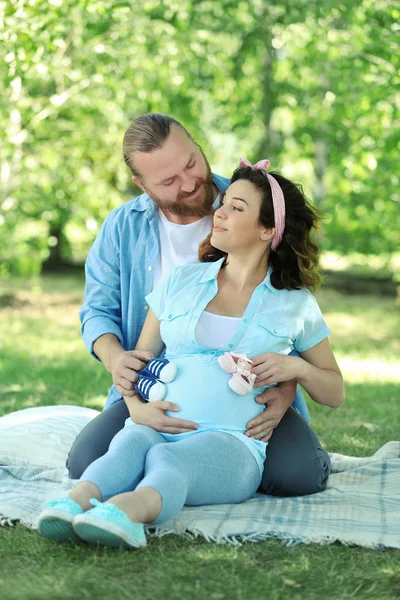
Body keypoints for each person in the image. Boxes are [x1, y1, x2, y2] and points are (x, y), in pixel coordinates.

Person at [38, 159, 344, 549]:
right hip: (157, 422)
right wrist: (135, 407)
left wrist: (296, 367)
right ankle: (72, 504)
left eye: (237, 208)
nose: (220, 213)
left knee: (170, 463)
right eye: (224, 203)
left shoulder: (295, 304)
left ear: (268, 230)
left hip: (231, 441)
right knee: (130, 444)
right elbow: (138, 363)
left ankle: (126, 513)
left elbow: (334, 392)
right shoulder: (180, 281)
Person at [67, 113, 333, 496]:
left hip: (247, 400)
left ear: (196, 145)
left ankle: (190, 469)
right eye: (169, 181)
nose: (190, 183)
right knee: (86, 463)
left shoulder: (250, 200)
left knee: (295, 476)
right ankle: (164, 470)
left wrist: (289, 382)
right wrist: (119, 364)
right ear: (142, 184)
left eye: (191, 162)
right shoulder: (122, 228)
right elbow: (97, 312)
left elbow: (284, 315)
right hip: (157, 387)